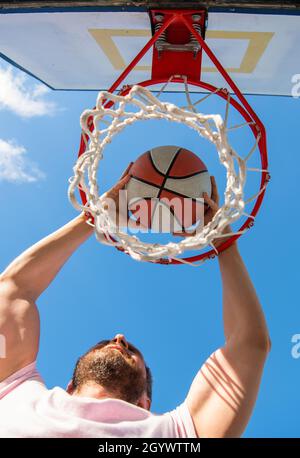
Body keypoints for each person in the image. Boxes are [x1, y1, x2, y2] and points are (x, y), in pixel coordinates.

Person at [0, 169, 271, 438]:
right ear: (70, 387)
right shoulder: (15, 391)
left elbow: (250, 345)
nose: (119, 338)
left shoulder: (177, 433)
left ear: (144, 403)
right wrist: (94, 218)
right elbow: (12, 290)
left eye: (131, 349)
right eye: (106, 342)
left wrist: (221, 240)